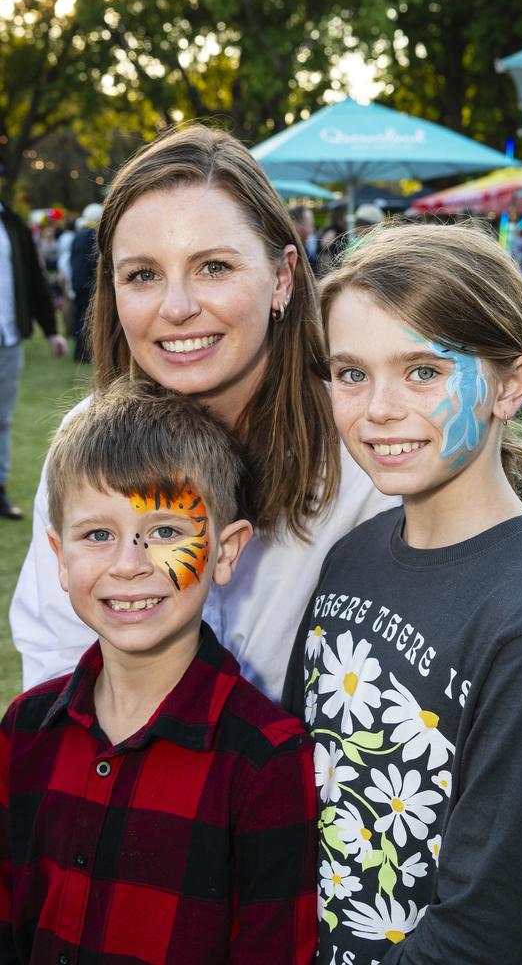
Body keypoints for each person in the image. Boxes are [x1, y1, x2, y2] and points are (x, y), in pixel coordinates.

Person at [9, 124, 522, 960]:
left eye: (214, 266)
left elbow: (472, 674)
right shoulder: (88, 452)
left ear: (284, 276)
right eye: (143, 275)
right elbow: (63, 690)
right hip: (151, 867)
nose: (177, 307)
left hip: (309, 885)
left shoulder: (369, 444)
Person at [282, 223, 522, 964]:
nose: (378, 408)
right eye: (352, 373)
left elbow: (484, 932)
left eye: (423, 372)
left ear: (511, 385)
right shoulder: (352, 556)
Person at [0, 378, 317, 963]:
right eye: (98, 535)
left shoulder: (265, 759)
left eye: (165, 533)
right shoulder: (24, 731)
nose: (128, 565)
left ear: (225, 551)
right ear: (59, 559)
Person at [0, 193, 67, 520]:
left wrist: (51, 329)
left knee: (2, 419)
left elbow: (35, 278)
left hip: (8, 338)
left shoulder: (12, 224)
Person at [70, 202, 102, 362]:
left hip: (77, 283)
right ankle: (85, 355)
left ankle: (80, 353)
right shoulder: (91, 236)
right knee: (87, 319)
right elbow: (93, 262)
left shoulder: (78, 235)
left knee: (80, 318)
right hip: (88, 284)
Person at [289, 204, 319, 271]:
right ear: (298, 226)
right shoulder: (291, 253)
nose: (312, 229)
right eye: (311, 225)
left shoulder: (305, 249)